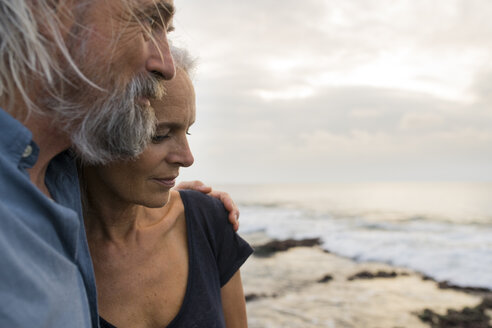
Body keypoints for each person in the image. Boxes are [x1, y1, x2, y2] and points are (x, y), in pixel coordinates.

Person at [0, 1, 238, 327]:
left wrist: (186, 211)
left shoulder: (54, 177)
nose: (164, 64)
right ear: (48, 9)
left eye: (165, 31)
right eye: (146, 21)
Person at [81, 49, 252, 328]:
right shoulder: (43, 248)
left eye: (187, 131)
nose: (187, 158)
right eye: (159, 135)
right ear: (91, 131)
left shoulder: (208, 221)